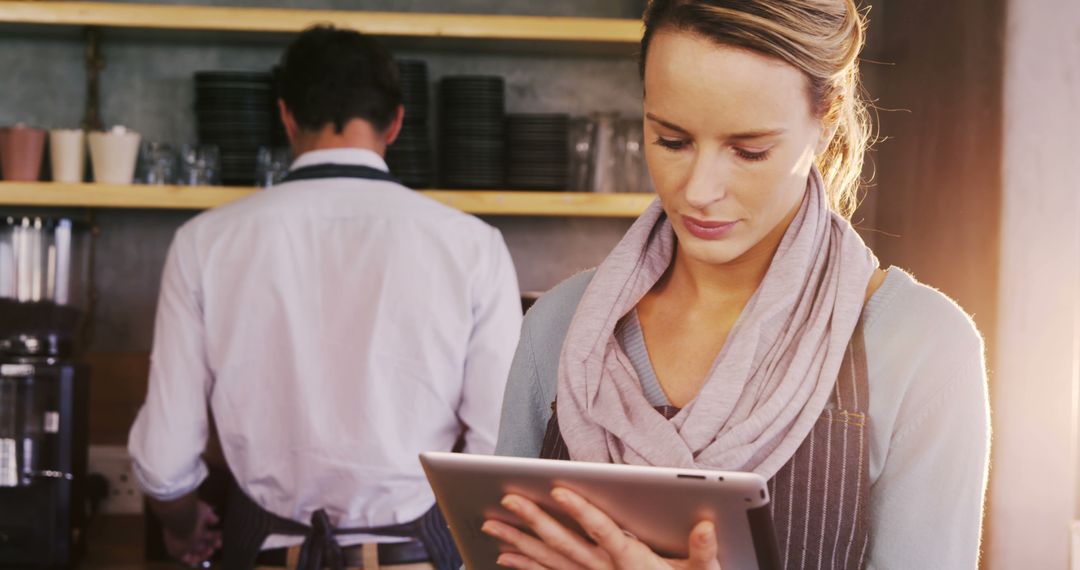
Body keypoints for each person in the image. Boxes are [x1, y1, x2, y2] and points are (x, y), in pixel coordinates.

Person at [485, 1, 990, 568]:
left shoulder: (922, 347)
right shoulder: (558, 326)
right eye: (671, 140)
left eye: (749, 150)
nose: (699, 190)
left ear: (826, 123)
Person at [128, 26, 522, 570]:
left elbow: (164, 462)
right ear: (397, 123)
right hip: (418, 555)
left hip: (261, 550)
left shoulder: (204, 243)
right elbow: (498, 457)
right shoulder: (474, 246)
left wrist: (183, 528)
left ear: (287, 117)